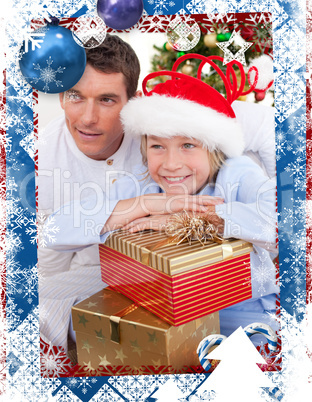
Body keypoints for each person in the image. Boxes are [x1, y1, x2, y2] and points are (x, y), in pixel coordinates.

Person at [47, 64, 279, 350]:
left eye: (188, 146)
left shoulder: (237, 173)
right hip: (157, 312)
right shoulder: (142, 184)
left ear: (214, 148)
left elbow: (285, 222)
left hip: (239, 313)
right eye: (157, 147)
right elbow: (55, 231)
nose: (170, 164)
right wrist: (143, 204)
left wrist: (192, 218)